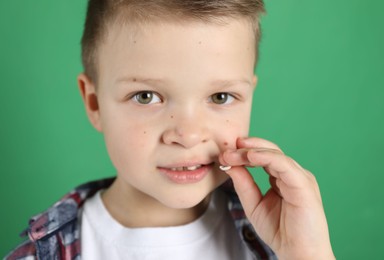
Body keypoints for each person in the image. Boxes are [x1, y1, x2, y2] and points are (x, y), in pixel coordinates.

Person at [5, 0, 335, 259]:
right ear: (94, 103)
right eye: (146, 96)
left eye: (220, 97)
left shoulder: (280, 242)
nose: (189, 135)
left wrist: (309, 255)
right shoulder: (46, 253)